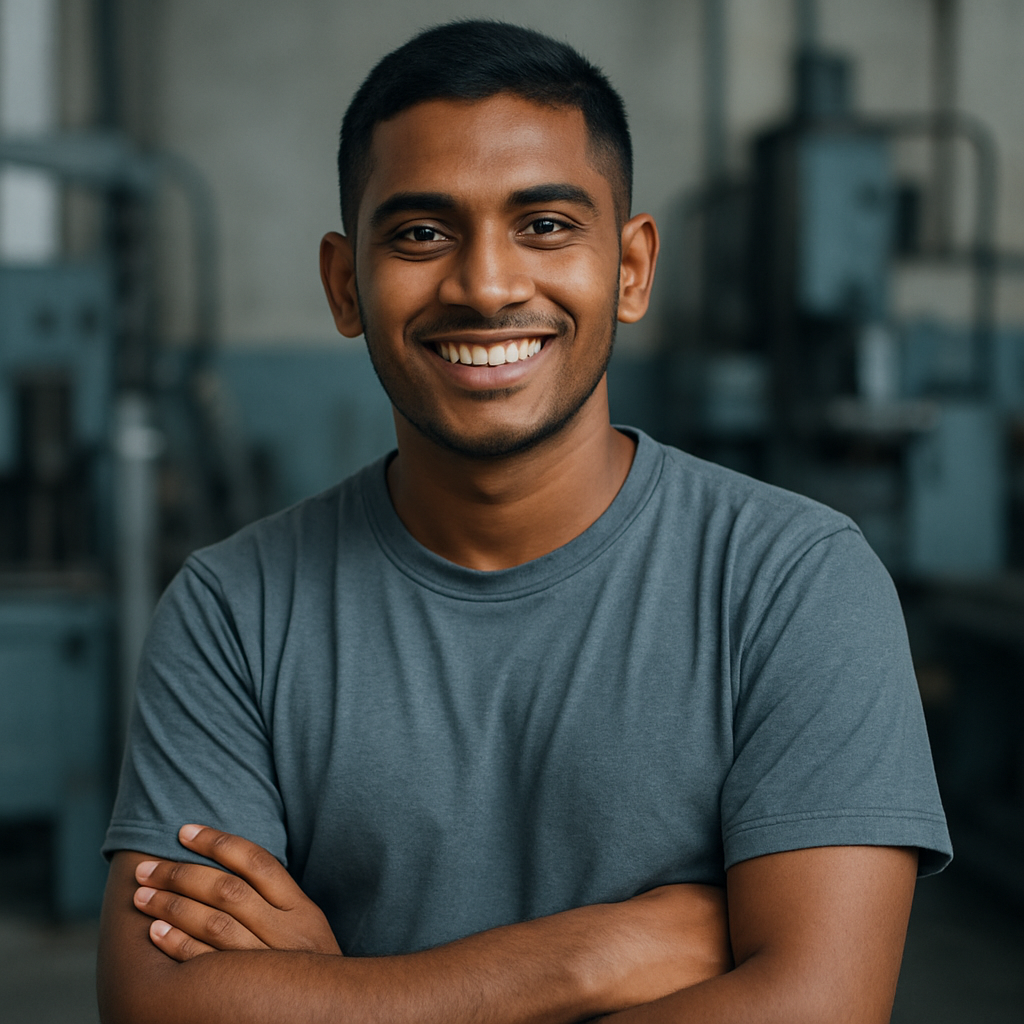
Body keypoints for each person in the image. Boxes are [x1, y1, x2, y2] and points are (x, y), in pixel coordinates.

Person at [96, 20, 951, 1024]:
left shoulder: (792, 582)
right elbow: (160, 1007)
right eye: (420, 233)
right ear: (344, 284)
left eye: (545, 225)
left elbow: (817, 1009)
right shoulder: (235, 610)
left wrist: (338, 997)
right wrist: (585, 957)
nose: (487, 285)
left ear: (630, 269)